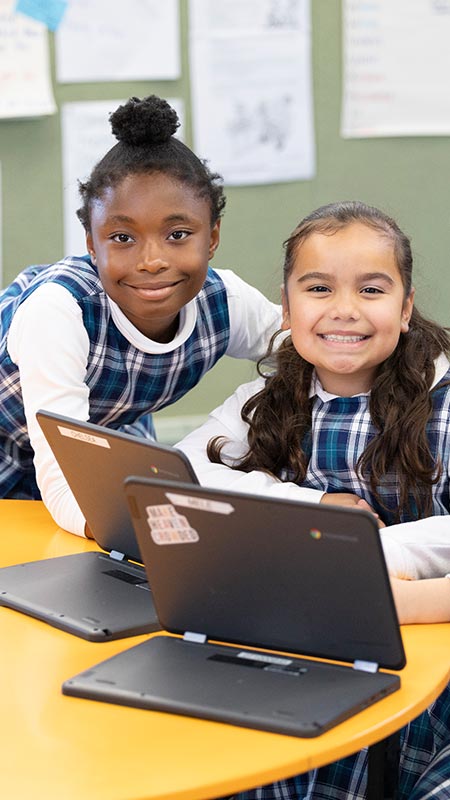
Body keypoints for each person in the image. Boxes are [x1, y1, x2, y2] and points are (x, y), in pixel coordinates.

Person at [176, 201, 450, 799]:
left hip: (421, 665)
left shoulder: (443, 403)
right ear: (288, 306)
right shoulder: (270, 396)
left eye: (372, 289)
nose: (344, 310)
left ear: (405, 309)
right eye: (318, 288)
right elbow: (188, 470)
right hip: (303, 649)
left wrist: (376, 555)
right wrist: (315, 508)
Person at [0, 95, 282, 537]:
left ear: (212, 237)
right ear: (92, 246)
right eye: (122, 237)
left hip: (99, 441)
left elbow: (311, 348)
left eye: (177, 234)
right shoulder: (57, 312)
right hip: (33, 453)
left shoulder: (224, 301)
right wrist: (158, 536)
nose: (152, 260)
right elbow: (64, 473)